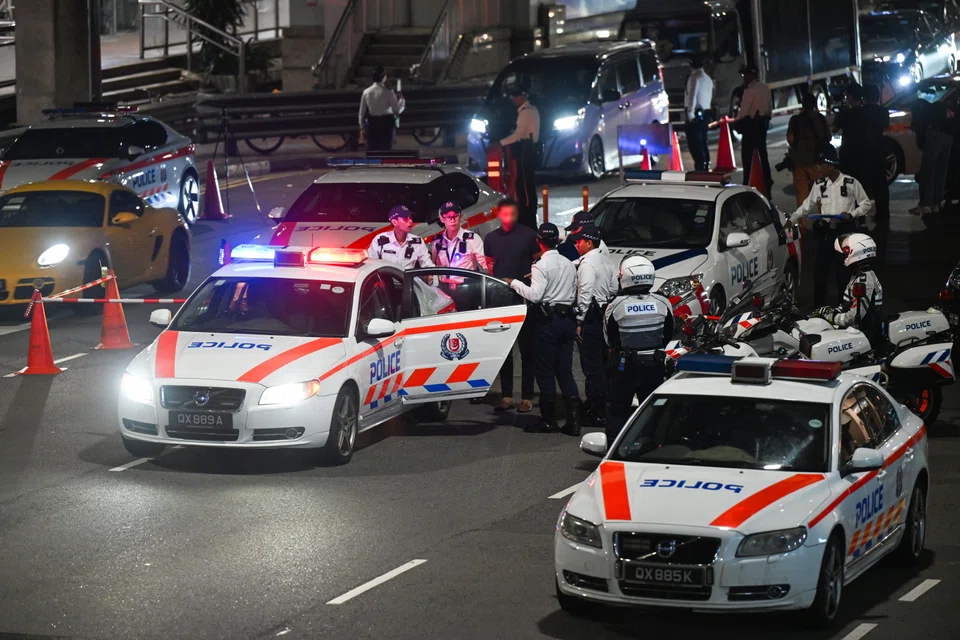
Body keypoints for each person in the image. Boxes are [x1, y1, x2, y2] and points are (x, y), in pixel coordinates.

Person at [504, 223, 581, 435]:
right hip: (567, 320)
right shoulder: (568, 263)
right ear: (557, 240)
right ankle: (573, 421)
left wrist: (514, 283)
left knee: (545, 371)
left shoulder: (539, 266)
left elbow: (536, 296)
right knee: (565, 371)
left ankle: (549, 421)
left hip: (548, 323)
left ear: (539, 241)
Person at [789, 147, 873, 307]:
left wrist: (853, 214)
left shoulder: (850, 183)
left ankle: (845, 309)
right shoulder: (819, 185)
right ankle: (819, 309)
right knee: (819, 273)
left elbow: (866, 203)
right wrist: (792, 219)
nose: (816, 169)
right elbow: (806, 206)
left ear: (830, 165)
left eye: (820, 165)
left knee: (843, 274)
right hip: (826, 234)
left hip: (844, 235)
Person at [604, 256, 674, 443]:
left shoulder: (615, 304)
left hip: (625, 365)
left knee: (617, 410)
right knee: (653, 410)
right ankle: (654, 447)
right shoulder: (663, 302)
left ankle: (614, 450)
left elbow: (609, 338)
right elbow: (668, 334)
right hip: (654, 364)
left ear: (625, 276)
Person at [484, 198, 540, 413]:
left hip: (524, 299)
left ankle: (527, 397)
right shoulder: (490, 238)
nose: (509, 219)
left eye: (512, 215)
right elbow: (490, 264)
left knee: (527, 351)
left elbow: (539, 259)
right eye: (505, 214)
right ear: (499, 214)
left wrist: (532, 275)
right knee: (504, 351)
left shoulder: (528, 235)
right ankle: (506, 395)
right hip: (500, 301)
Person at [571, 223, 618, 429]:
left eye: (579, 241)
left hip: (590, 316)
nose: (576, 244)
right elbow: (614, 289)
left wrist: (580, 321)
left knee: (592, 366)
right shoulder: (607, 262)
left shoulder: (587, 264)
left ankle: (598, 412)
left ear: (589, 243)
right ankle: (602, 407)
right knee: (603, 362)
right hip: (605, 315)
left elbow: (585, 293)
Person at [814, 233, 884, 347]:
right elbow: (849, 304)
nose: (844, 256)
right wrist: (832, 311)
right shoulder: (859, 275)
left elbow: (854, 316)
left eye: (846, 252)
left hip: (863, 334)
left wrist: (832, 318)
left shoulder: (864, 280)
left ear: (856, 252)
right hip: (858, 331)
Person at [500, 86, 541, 230]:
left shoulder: (526, 112)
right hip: (531, 150)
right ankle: (528, 216)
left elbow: (518, 134)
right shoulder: (533, 109)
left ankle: (526, 218)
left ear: (522, 97)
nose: (513, 100)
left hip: (526, 150)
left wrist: (501, 143)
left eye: (515, 97)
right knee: (528, 185)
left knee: (523, 186)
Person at [910, 99, 954, 215]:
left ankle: (925, 204)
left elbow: (917, 127)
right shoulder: (938, 108)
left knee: (928, 171)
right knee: (940, 172)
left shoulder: (919, 111)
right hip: (948, 137)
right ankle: (936, 203)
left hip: (935, 135)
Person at [786, 93, 830, 206]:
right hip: (817, 161)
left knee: (802, 193)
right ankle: (823, 220)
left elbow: (790, 139)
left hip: (799, 162)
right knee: (821, 192)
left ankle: (803, 223)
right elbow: (828, 137)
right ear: (815, 104)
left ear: (803, 104)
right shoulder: (820, 118)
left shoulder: (795, 120)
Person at [736, 64, 773, 193]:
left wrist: (739, 122)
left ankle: (748, 181)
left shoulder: (749, 90)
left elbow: (744, 110)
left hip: (751, 126)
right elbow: (769, 109)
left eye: (745, 75)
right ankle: (767, 180)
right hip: (762, 125)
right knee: (763, 154)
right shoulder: (765, 88)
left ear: (751, 75)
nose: (743, 78)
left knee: (748, 157)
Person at [367, 204, 435, 269]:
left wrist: (435, 277)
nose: (410, 221)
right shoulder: (380, 240)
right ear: (394, 222)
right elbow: (370, 265)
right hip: (384, 280)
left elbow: (428, 266)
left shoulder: (417, 242)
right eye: (405, 218)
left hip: (407, 280)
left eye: (410, 218)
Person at [862, 84, 891, 224]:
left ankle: (860, 216)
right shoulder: (883, 112)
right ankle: (883, 213)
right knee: (881, 184)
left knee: (863, 184)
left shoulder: (861, 112)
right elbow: (885, 126)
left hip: (865, 151)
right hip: (879, 150)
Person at [358, 66, 405, 151]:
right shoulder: (389, 92)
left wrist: (362, 128)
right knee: (386, 152)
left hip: (372, 126)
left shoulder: (366, 92)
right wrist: (402, 101)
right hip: (386, 127)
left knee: (373, 152)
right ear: (384, 77)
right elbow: (397, 110)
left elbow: (361, 113)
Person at [684, 53, 714, 171]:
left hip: (696, 114)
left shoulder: (694, 78)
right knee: (703, 142)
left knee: (695, 144)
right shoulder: (707, 78)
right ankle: (706, 165)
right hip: (705, 112)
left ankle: (700, 168)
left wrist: (690, 114)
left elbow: (692, 96)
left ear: (691, 65)